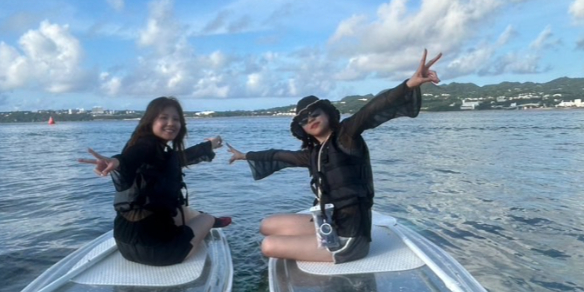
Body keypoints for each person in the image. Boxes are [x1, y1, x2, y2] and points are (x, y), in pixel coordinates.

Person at [226, 49, 441, 264]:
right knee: (267, 225)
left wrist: (409, 85)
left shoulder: (346, 136)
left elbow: (372, 110)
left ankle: (323, 247)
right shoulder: (314, 153)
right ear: (303, 130)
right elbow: (279, 155)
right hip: (329, 222)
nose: (310, 120)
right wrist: (244, 155)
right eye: (304, 120)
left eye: (315, 114)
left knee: (269, 245)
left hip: (350, 238)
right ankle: (313, 240)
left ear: (327, 114)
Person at [79, 96, 232, 266]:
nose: (171, 123)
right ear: (150, 121)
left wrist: (210, 145)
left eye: (176, 119)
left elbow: (180, 158)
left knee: (183, 210)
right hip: (159, 252)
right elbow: (130, 159)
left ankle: (200, 221)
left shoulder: (154, 149)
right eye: (164, 117)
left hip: (124, 245)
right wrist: (117, 162)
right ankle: (211, 221)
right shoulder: (145, 146)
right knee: (206, 218)